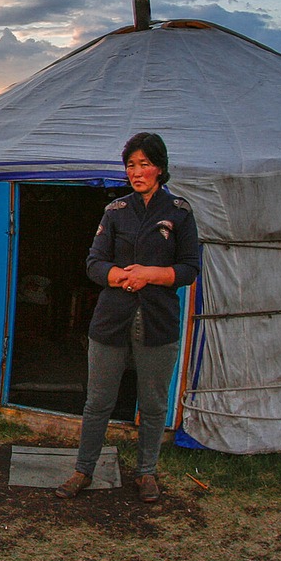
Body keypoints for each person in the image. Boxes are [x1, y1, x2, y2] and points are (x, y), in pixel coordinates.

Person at [57, 132, 201, 504]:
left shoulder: (180, 212)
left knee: (153, 403)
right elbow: (94, 263)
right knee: (98, 401)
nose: (137, 172)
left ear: (161, 167)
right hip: (112, 317)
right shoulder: (116, 211)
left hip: (158, 319)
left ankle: (146, 473)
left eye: (145, 164)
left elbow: (189, 269)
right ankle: (83, 469)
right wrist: (120, 276)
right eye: (131, 165)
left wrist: (149, 274)